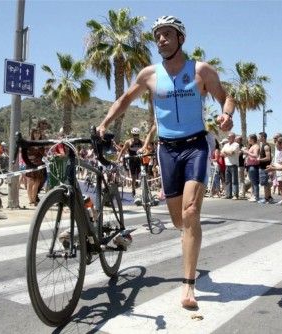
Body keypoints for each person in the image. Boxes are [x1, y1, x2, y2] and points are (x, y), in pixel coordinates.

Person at [97, 15, 235, 309]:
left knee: (190, 212)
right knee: (178, 221)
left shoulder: (201, 70)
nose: (161, 39)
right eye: (158, 35)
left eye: (167, 34)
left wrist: (226, 114)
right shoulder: (149, 74)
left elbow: (227, 97)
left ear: (181, 38)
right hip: (166, 150)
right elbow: (124, 99)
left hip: (196, 145)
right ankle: (189, 241)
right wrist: (104, 123)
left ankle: (188, 285)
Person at [117, 127, 143, 198]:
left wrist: (145, 154)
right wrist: (118, 159)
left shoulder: (141, 142)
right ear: (132, 135)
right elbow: (122, 151)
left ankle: (143, 188)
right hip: (132, 160)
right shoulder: (128, 142)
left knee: (142, 174)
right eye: (134, 135)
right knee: (133, 176)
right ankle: (133, 189)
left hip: (139, 160)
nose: (136, 136)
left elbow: (146, 149)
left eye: (137, 135)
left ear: (138, 135)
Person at [241, 134, 260, 202]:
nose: (248, 140)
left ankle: (256, 196)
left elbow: (255, 155)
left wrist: (246, 152)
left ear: (252, 139)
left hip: (253, 166)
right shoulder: (253, 146)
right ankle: (253, 195)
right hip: (250, 166)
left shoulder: (255, 146)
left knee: (255, 182)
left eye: (248, 138)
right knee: (252, 182)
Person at [221, 132, 240, 199]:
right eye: (228, 136)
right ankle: (228, 194)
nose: (228, 137)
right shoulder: (226, 145)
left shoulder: (236, 145)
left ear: (233, 137)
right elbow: (221, 154)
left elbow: (232, 153)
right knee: (227, 181)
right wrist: (227, 152)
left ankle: (235, 195)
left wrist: (226, 152)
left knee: (234, 180)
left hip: (233, 164)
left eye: (230, 136)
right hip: (227, 165)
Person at [258, 132, 273, 203]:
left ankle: (266, 198)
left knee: (265, 184)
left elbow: (268, 158)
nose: (259, 138)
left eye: (259, 137)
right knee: (266, 183)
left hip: (264, 168)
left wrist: (259, 159)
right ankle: (269, 197)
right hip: (263, 167)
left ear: (263, 137)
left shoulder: (266, 146)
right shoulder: (263, 145)